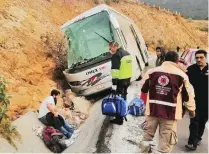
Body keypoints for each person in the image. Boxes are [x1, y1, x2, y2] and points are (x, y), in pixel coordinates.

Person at [139, 51, 196, 153]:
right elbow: (188, 96)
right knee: (166, 142)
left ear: (164, 59)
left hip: (152, 111)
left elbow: (143, 88)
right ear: (177, 61)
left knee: (146, 138)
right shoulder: (181, 75)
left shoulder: (152, 72)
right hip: (170, 114)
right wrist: (192, 110)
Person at [185, 50, 208, 150]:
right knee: (194, 121)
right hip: (194, 101)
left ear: (205, 58)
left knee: (203, 121)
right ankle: (192, 142)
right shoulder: (191, 69)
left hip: (207, 102)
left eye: (201, 57)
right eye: (197, 58)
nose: (198, 59)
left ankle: (198, 137)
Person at [109, 41, 132, 125]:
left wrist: (114, 85)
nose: (109, 50)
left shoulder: (116, 55)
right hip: (128, 79)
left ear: (114, 47)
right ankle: (123, 113)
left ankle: (119, 119)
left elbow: (115, 71)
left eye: (110, 48)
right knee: (124, 97)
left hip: (120, 81)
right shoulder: (127, 53)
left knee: (118, 99)